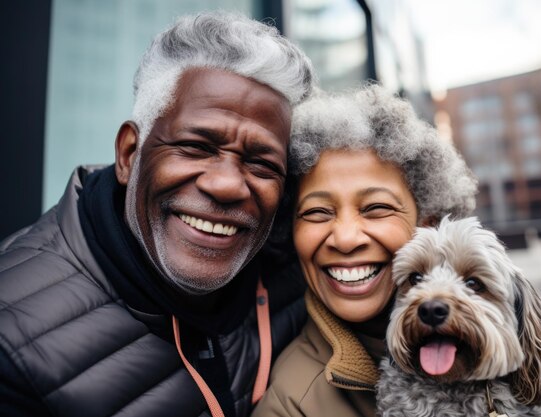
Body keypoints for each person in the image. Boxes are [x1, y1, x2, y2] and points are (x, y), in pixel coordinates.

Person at [0, 12, 314, 417]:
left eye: (261, 164)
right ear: (130, 154)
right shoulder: (12, 341)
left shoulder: (299, 269)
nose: (228, 185)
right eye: (197, 146)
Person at [251, 85, 478, 417]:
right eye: (317, 212)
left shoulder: (501, 337)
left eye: (376, 208)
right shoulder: (290, 405)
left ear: (427, 224)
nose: (345, 238)